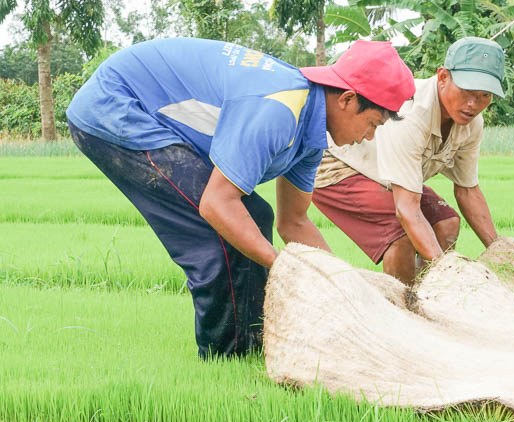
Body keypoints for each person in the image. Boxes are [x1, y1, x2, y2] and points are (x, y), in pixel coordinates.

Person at [66, 37, 415, 358]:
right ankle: (225, 359)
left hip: (140, 111)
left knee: (254, 217)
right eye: (373, 124)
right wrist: (288, 267)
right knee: (217, 235)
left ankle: (251, 345)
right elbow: (216, 205)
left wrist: (341, 282)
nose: (369, 138)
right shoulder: (279, 108)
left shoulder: (310, 136)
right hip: (116, 106)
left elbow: (294, 222)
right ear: (348, 99)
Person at [312, 37, 504, 284]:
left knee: (446, 223)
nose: (473, 104)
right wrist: (451, 275)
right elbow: (407, 211)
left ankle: (425, 297)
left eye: (484, 96)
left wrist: (500, 252)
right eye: (467, 92)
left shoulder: (471, 124)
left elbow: (468, 190)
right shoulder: (412, 115)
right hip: (338, 166)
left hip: (383, 173)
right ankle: (402, 311)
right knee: (401, 233)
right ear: (443, 77)